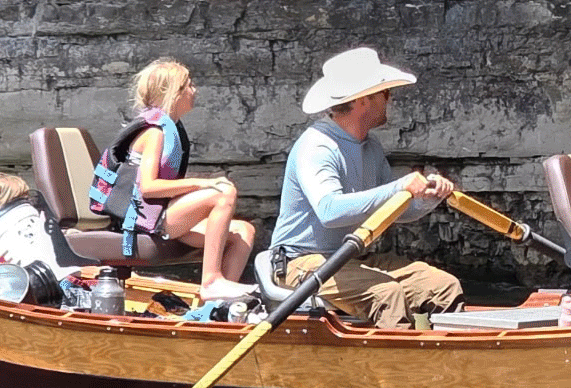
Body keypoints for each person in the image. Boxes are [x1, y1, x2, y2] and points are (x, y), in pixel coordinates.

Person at [269, 47, 463, 327]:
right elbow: (329, 211)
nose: (390, 99)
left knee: (444, 286)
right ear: (364, 100)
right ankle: (401, 368)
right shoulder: (317, 146)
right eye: (385, 93)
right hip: (303, 262)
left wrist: (428, 198)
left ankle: (458, 360)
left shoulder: (371, 147)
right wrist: (400, 187)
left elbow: (394, 209)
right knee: (387, 294)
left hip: (354, 258)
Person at [114, 59, 256, 303]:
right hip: (146, 220)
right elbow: (148, 188)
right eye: (188, 85)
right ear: (173, 93)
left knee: (244, 231)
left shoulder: (171, 128)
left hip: (164, 215)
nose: (194, 90)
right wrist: (202, 184)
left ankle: (215, 308)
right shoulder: (154, 133)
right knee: (222, 193)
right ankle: (211, 281)